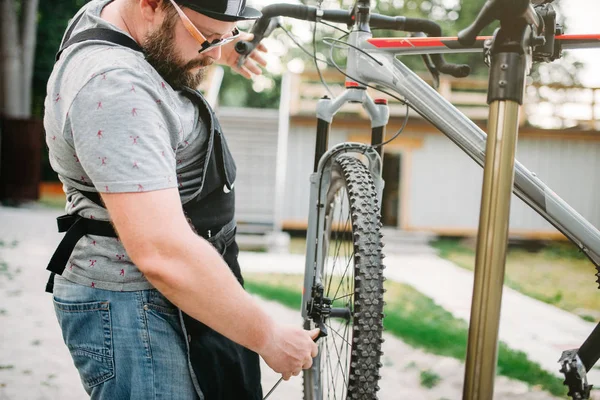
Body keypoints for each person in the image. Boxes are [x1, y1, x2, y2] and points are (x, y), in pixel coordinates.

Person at [43, 0, 319, 398]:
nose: (210, 52)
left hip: (171, 293)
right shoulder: (116, 88)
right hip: (136, 308)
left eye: (224, 37)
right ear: (152, 5)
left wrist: (215, 45)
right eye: (205, 37)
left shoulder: (115, 16)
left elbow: (165, 41)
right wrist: (269, 337)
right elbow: (163, 254)